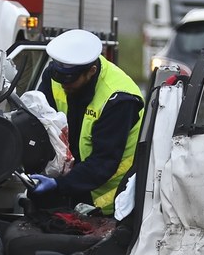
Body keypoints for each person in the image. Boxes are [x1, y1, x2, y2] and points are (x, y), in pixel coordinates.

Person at [28, 29, 145, 216]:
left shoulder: (119, 99)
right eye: (59, 77)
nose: (63, 84)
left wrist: (59, 184)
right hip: (74, 184)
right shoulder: (57, 75)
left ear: (91, 71)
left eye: (69, 79)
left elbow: (103, 162)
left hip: (111, 199)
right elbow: (39, 121)